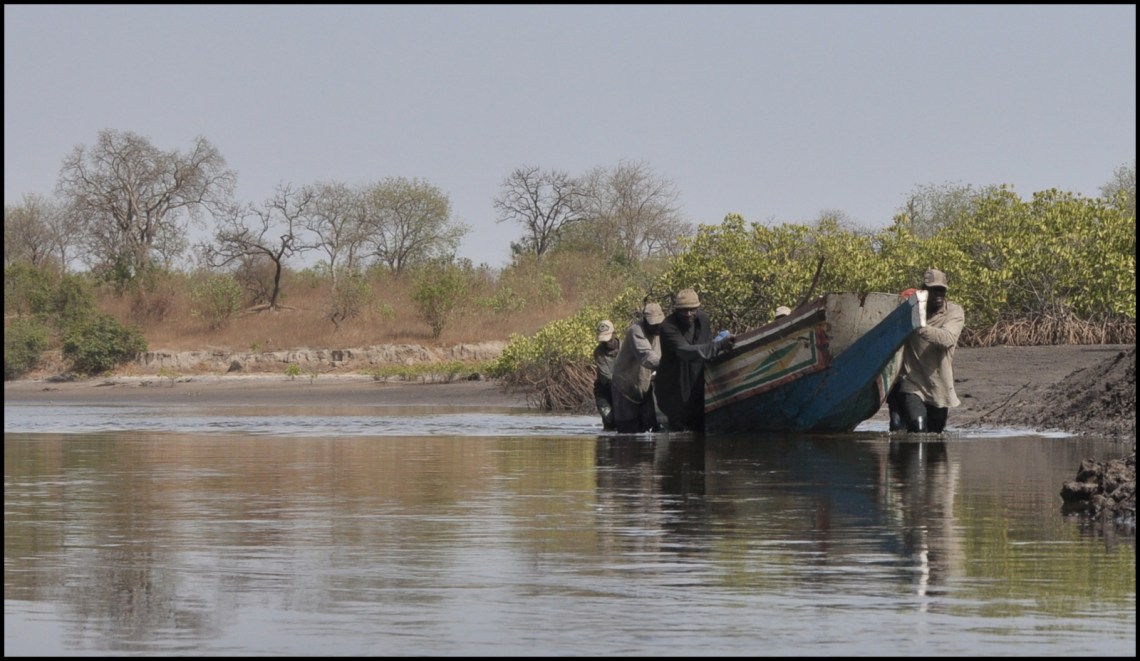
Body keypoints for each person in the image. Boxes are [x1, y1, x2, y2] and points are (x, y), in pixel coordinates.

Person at [888, 268, 965, 433]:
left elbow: (947, 338)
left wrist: (918, 326)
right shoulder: (910, 310)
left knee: (935, 433)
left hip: (939, 384)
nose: (938, 294)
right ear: (924, 291)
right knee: (918, 428)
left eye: (941, 290)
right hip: (912, 381)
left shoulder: (954, 312)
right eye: (933, 289)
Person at [655, 288, 735, 433]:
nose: (688, 314)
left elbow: (706, 348)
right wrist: (719, 346)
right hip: (673, 390)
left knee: (699, 433)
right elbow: (685, 351)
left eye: (692, 310)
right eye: (683, 310)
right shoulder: (668, 327)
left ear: (698, 308)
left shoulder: (703, 320)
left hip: (697, 388)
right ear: (676, 310)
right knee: (680, 435)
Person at [610, 302, 665, 434]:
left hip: (644, 385)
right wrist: (669, 366)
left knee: (650, 428)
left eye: (659, 323)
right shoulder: (636, 331)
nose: (657, 327)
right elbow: (647, 356)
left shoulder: (662, 330)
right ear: (645, 321)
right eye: (653, 324)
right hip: (625, 386)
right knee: (627, 431)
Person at [592, 319, 620, 430]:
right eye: (603, 340)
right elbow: (607, 375)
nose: (606, 342)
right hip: (605, 389)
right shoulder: (598, 352)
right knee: (609, 421)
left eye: (609, 339)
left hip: (625, 388)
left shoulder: (626, 346)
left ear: (614, 334)